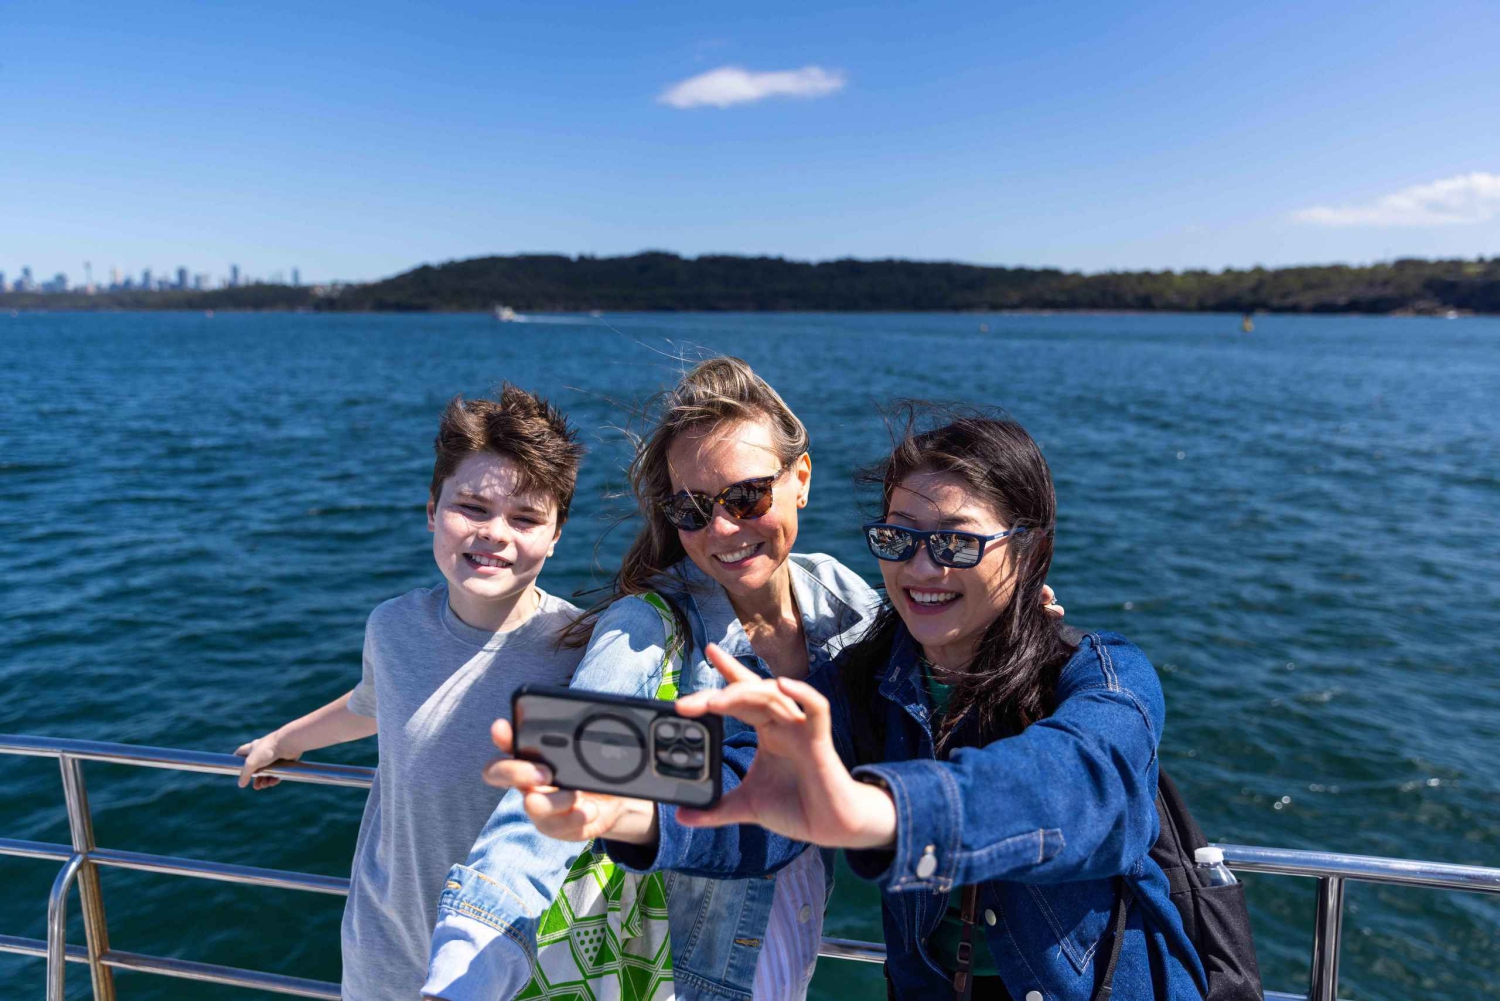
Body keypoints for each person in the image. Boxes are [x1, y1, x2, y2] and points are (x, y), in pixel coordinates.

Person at [514, 407, 1204, 1001]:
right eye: (898, 537)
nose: (922, 568)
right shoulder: (866, 680)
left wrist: (878, 809)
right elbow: (762, 784)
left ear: (1025, 551)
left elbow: (1077, 787)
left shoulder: (1101, 675)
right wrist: (633, 806)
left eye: (958, 543)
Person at [422, 356, 883, 1001]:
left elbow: (930, 676)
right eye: (692, 510)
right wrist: (466, 968)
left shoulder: (840, 598)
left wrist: (1005, 615)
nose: (722, 528)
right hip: (694, 975)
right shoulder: (647, 629)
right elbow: (560, 787)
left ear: (800, 478)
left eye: (746, 497)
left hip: (791, 952)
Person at [233, 386, 587, 1001]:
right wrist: (281, 742)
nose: (495, 533)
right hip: (385, 941)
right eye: (471, 507)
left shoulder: (580, 649)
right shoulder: (392, 626)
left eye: (526, 518)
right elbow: (370, 704)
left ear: (556, 535)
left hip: (511, 958)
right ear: (432, 510)